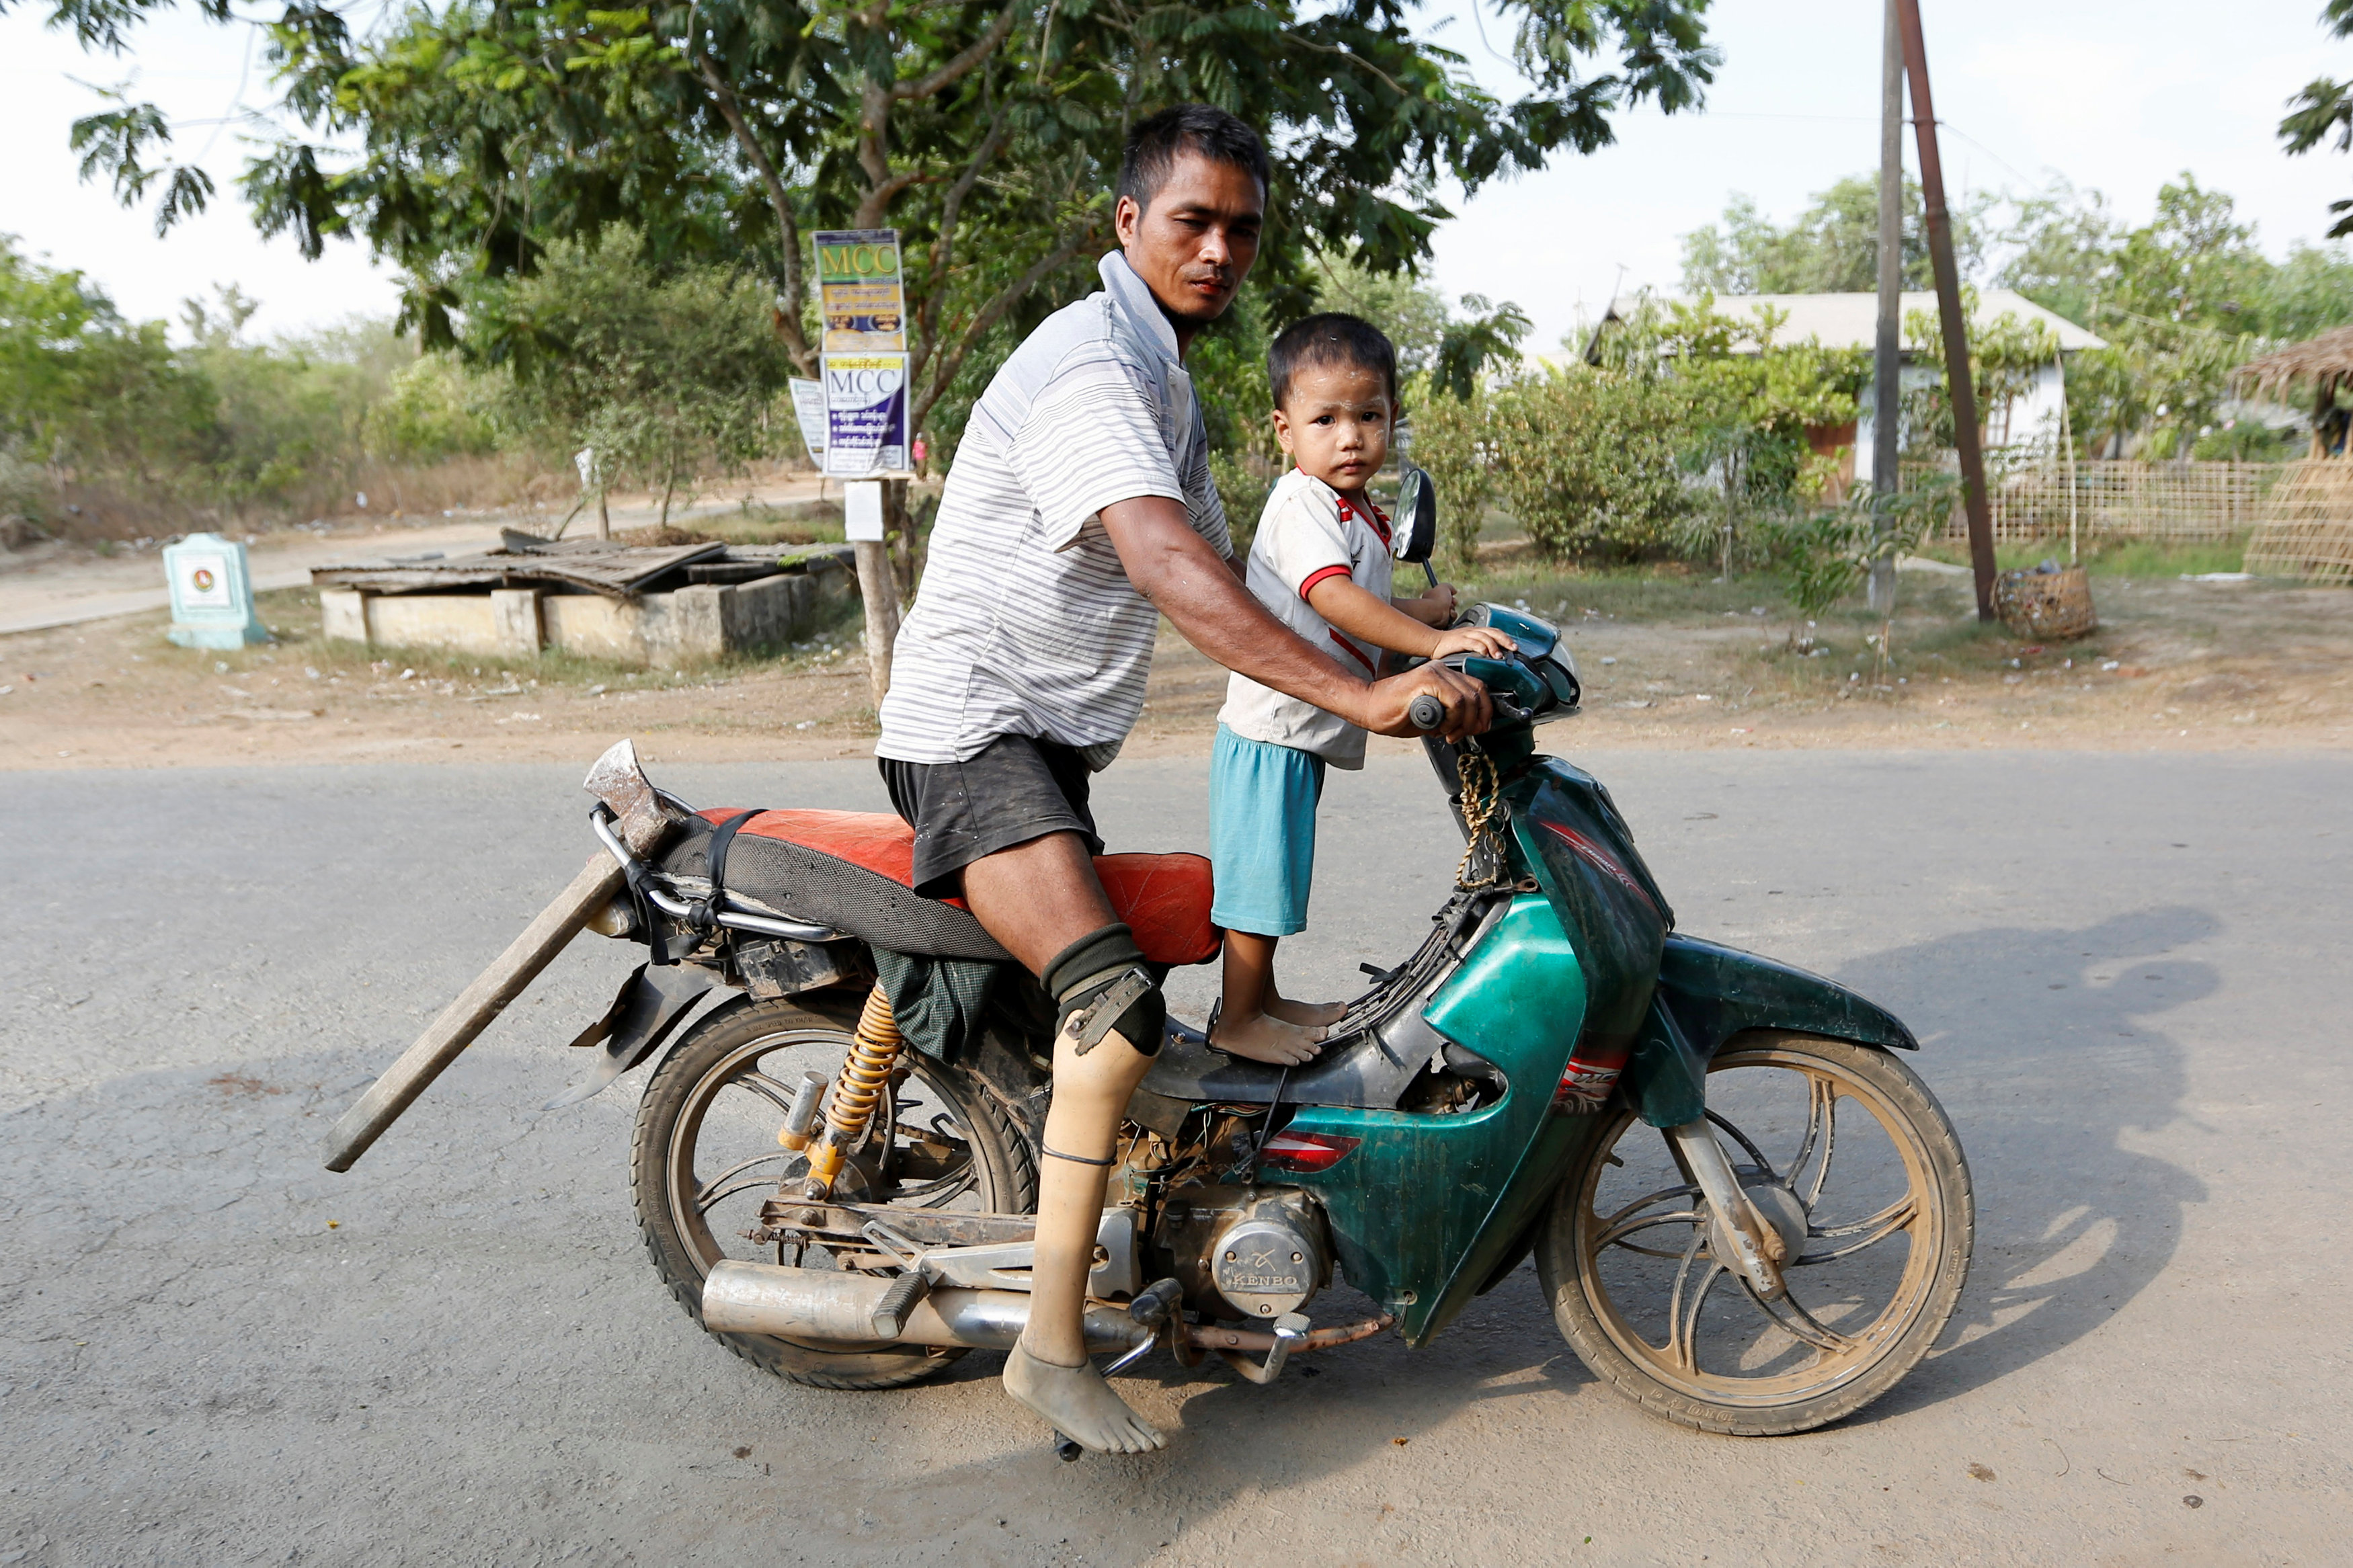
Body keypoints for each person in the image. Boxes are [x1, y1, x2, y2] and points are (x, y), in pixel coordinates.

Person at [874, 105, 1489, 1454]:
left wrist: (1439, 621)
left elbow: (1252, 567)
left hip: (1038, 741)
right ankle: (1048, 1350)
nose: (1216, 248)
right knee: (1119, 1013)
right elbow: (1165, 558)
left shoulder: (1162, 384)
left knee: (1111, 1033)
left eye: (1239, 227)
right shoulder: (1095, 370)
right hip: (977, 734)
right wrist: (1363, 690)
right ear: (1127, 225)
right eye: (1189, 220)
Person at [1206, 315, 1517, 1064]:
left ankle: (1264, 998)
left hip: (1302, 728)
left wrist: (1424, 613)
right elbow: (1333, 599)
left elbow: (1365, 608)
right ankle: (1237, 1017)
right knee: (1261, 882)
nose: (1350, 436)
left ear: (1390, 422)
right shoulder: (1301, 505)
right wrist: (1436, 642)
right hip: (1268, 732)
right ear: (1285, 429)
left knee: (1279, 875)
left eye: (1368, 416)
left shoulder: (1355, 510)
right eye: (1325, 419)